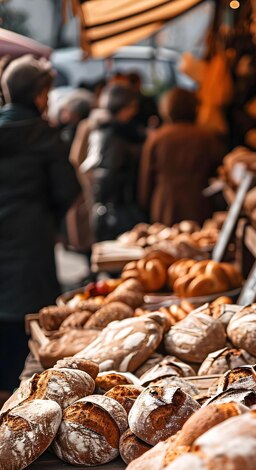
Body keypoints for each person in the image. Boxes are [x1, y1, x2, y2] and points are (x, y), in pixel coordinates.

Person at [0, 55, 80, 394]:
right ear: (38, 95)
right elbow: (68, 190)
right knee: (30, 323)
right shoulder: (46, 136)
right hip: (31, 239)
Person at [140, 87, 224, 226]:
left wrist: (145, 205)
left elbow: (146, 180)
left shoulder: (156, 139)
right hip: (198, 201)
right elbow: (219, 173)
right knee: (198, 242)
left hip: (164, 203)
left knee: (164, 243)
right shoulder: (207, 137)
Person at [80, 83, 146, 241]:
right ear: (126, 106)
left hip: (105, 209)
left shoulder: (101, 128)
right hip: (117, 210)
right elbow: (110, 174)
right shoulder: (118, 134)